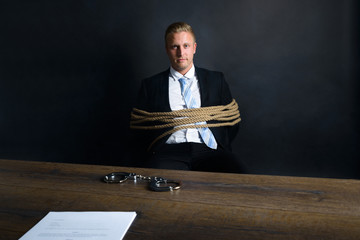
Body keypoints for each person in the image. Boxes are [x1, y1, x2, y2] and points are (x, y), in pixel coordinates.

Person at [130, 22, 245, 173]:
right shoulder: (151, 85)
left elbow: (231, 122)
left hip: (209, 149)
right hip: (169, 152)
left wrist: (219, 144)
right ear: (167, 49)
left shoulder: (216, 80)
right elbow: (140, 128)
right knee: (154, 183)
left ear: (194, 48)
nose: (181, 53)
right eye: (174, 47)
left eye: (186, 46)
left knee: (238, 174)